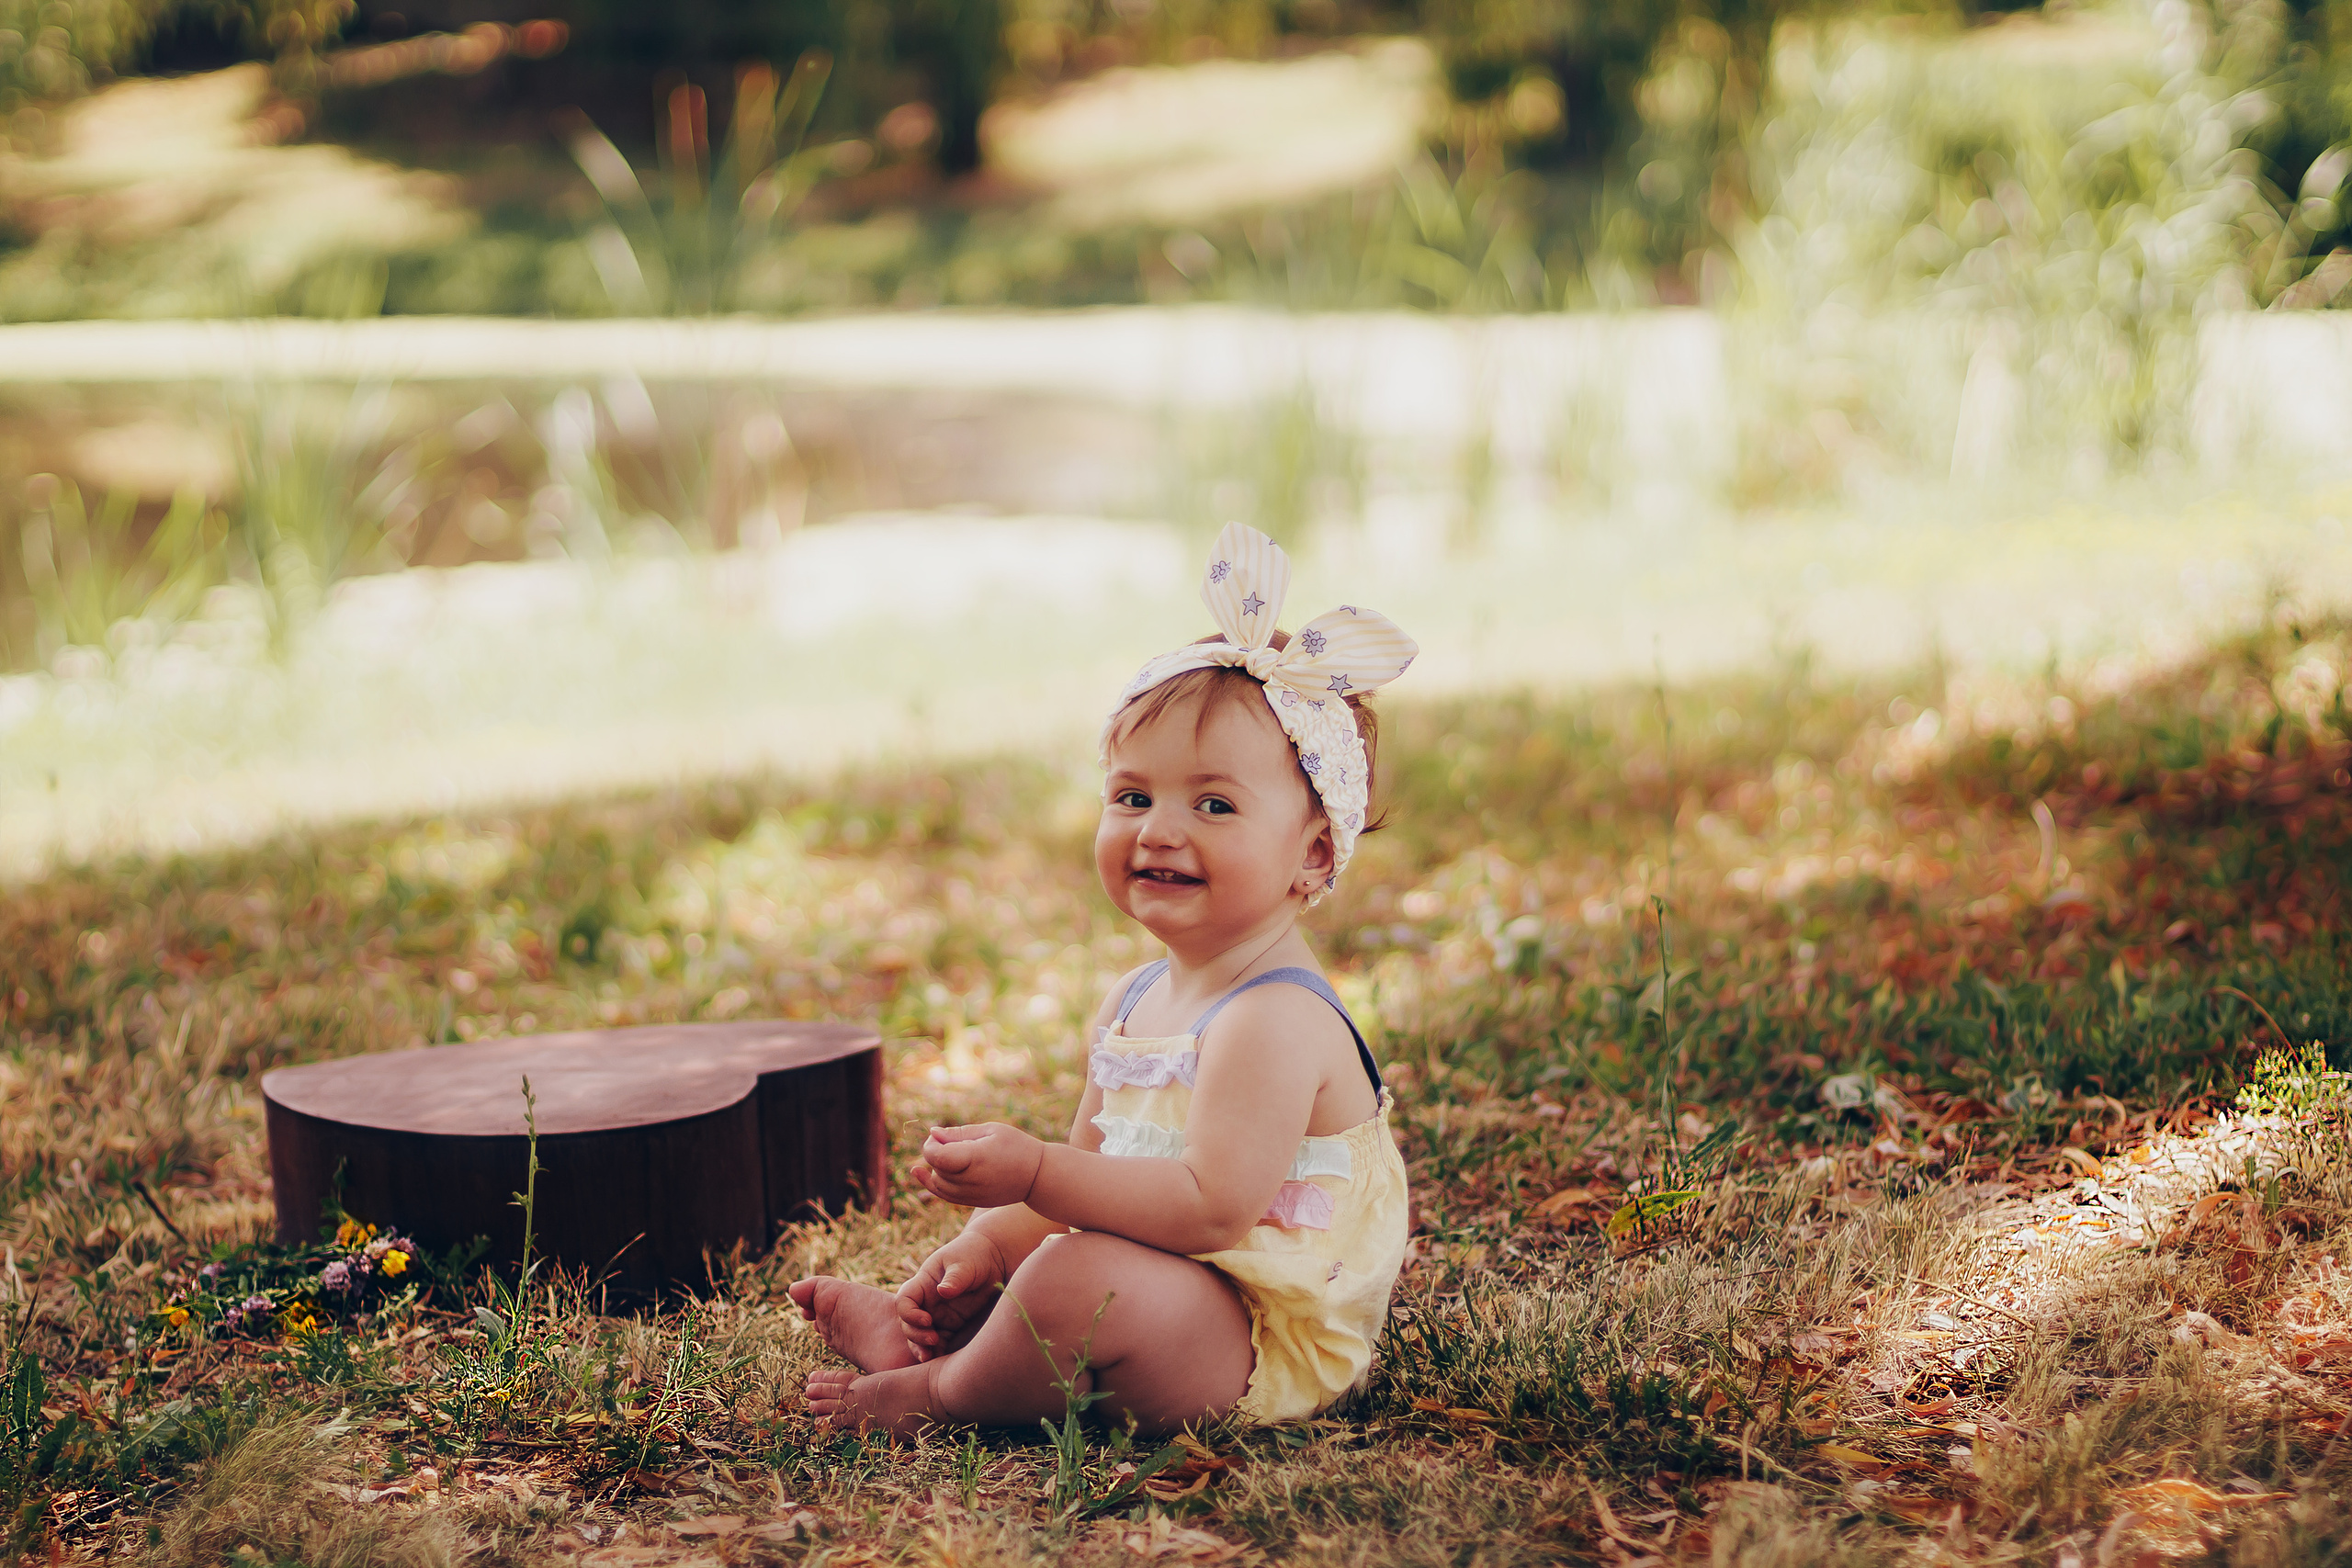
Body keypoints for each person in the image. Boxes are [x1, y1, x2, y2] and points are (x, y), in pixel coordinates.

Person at [787, 523, 1417, 1437]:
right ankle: (920, 1330)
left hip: (1256, 1337)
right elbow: (1093, 1182)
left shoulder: (1272, 1020)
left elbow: (1205, 1210)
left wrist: (1034, 1172)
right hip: (1167, 1293)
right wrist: (982, 1244)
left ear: (1313, 856)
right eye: (1132, 796)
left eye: (1213, 804)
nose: (1159, 830)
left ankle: (935, 1395)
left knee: (1075, 1279)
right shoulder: (1133, 1002)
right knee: (1050, 1263)